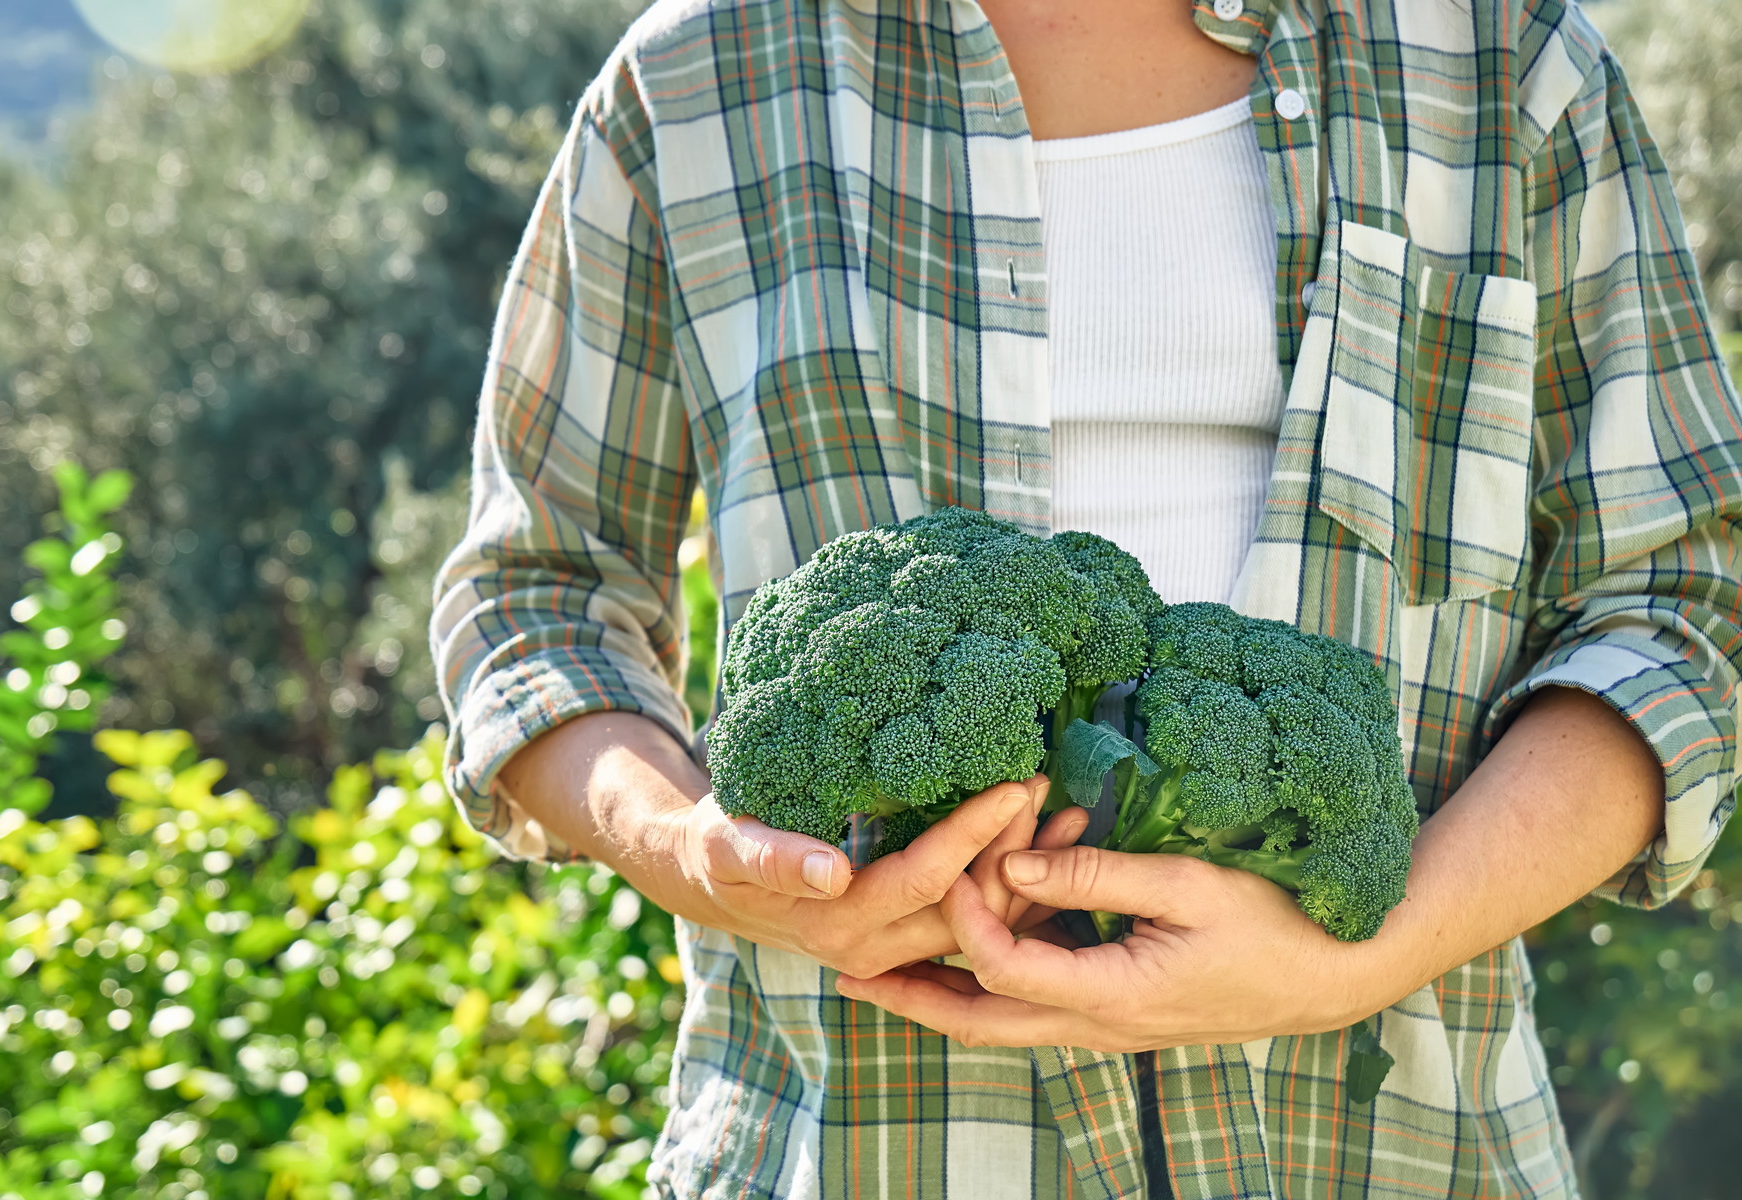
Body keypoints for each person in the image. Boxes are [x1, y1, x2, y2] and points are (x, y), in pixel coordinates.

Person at [429, 0, 1742, 1195]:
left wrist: (1367, 956)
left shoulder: (1498, 58)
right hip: (857, 1145)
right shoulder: (703, 78)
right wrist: (686, 847)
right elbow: (533, 598)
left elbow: (1678, 605)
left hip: (1403, 1144)